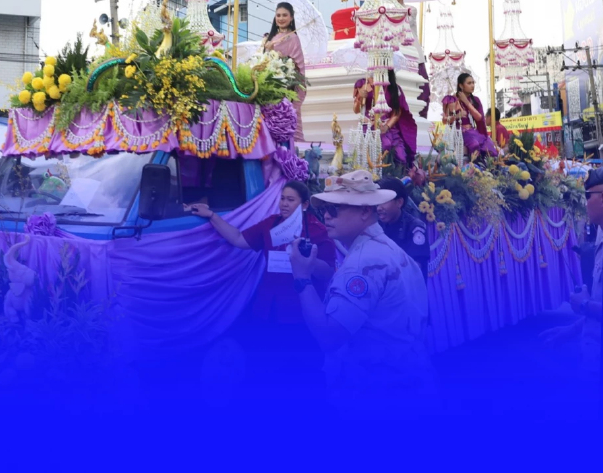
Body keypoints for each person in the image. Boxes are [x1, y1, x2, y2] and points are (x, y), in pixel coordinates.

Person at [287, 170, 433, 414]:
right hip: (404, 388)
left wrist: (302, 279)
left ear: (366, 211)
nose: (325, 215)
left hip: (375, 398)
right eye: (324, 208)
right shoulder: (385, 249)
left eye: (335, 209)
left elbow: (329, 337)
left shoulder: (363, 263)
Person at [185, 180, 337, 396]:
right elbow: (238, 239)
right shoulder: (271, 224)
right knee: (265, 368)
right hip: (268, 310)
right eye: (282, 198)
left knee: (301, 373)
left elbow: (328, 272)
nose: (284, 204)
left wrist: (308, 262)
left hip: (301, 314)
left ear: (304, 205)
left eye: (290, 200)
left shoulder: (317, 230)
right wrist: (211, 216)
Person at [540, 167, 603, 379]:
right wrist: (569, 331)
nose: (585, 203)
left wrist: (584, 305)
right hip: (591, 355)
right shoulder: (601, 236)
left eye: (588, 196)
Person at [263, 2, 307, 143]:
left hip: (286, 88)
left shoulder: (293, 38)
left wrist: (279, 56)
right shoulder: (271, 37)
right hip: (269, 87)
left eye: (285, 15)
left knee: (287, 121)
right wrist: (267, 50)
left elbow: (297, 65)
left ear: (291, 18)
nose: (281, 18)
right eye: (278, 15)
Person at [353, 69, 417, 166]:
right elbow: (356, 110)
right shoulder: (364, 85)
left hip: (388, 128)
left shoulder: (394, 88)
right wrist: (359, 98)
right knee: (371, 157)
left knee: (401, 157)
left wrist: (386, 127)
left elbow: (397, 112)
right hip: (369, 128)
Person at [376, 177, 429, 278]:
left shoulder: (414, 227)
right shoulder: (376, 225)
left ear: (399, 202)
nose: (379, 208)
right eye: (377, 202)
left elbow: (415, 268)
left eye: (383, 201)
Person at [442, 72, 500, 160]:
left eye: (473, 83)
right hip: (459, 132)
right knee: (475, 144)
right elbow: (445, 120)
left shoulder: (475, 100)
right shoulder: (451, 99)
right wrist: (457, 116)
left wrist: (466, 102)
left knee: (488, 145)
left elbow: (479, 118)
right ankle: (474, 168)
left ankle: (488, 169)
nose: (472, 85)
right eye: (469, 83)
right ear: (461, 86)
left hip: (472, 131)